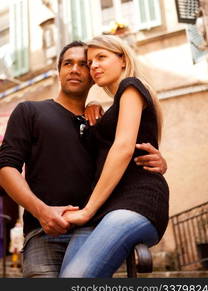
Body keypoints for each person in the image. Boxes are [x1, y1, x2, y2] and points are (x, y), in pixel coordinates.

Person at [0, 41, 167, 278]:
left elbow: (124, 152)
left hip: (95, 229)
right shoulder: (29, 111)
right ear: (59, 71)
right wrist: (42, 211)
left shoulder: (101, 124)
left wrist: (160, 162)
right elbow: (5, 167)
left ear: (92, 76)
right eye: (68, 63)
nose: (76, 69)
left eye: (84, 64)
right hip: (43, 234)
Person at [59, 35, 169, 278]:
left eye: (101, 57)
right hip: (105, 207)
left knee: (75, 279)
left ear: (122, 59)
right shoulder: (109, 108)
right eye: (90, 62)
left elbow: (123, 148)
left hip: (136, 202)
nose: (94, 66)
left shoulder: (131, 86)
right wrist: (94, 105)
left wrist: (87, 211)